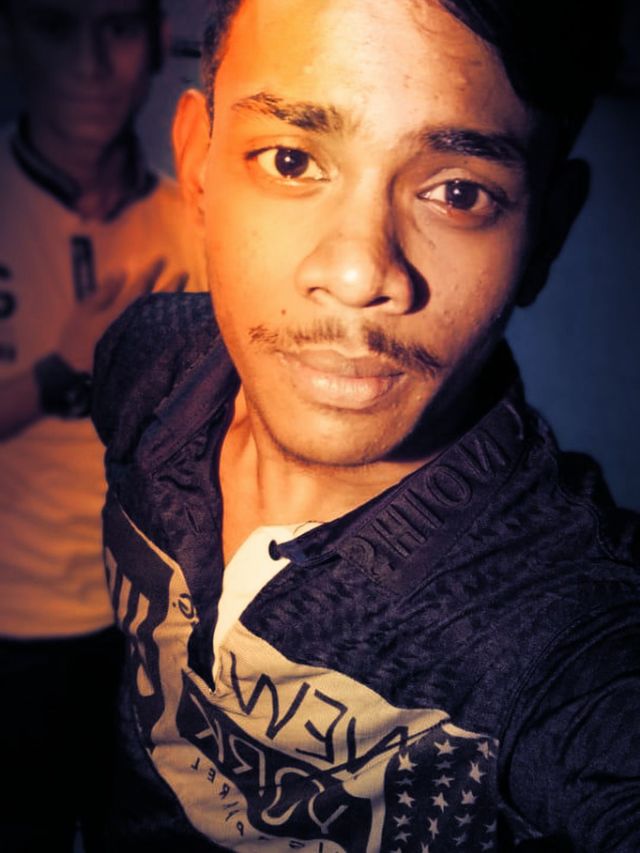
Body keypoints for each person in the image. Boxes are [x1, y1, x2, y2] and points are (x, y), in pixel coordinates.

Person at [92, 0, 640, 849]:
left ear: (545, 234)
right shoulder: (147, 365)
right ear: (198, 168)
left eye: (458, 192)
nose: (358, 271)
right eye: (291, 159)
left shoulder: (561, 630)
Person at [0, 0, 202, 850]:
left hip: (153, 637)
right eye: (56, 25)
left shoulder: (197, 224)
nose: (89, 63)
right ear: (12, 36)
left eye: (116, 26)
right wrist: (59, 369)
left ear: (155, 41)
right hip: (12, 633)